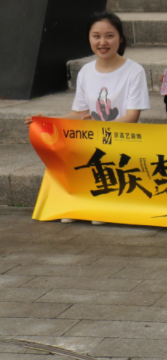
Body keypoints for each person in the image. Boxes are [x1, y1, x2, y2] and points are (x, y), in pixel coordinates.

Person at [25, 14, 150, 225]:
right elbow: (79, 113)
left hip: (122, 139)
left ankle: (98, 206)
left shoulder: (134, 71)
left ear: (120, 38)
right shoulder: (86, 71)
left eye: (109, 36)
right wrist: (50, 120)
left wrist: (99, 127)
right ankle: (73, 204)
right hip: (91, 136)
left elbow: (132, 117)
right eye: (96, 36)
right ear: (89, 39)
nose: (103, 42)